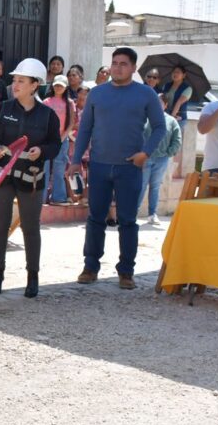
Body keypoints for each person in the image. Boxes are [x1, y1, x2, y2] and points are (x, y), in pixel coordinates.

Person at [67, 47, 165, 290]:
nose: (117, 67)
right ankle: (90, 267)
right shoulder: (97, 94)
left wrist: (146, 153)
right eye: (114, 63)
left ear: (133, 68)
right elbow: (85, 129)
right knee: (95, 218)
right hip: (99, 165)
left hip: (130, 167)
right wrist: (76, 159)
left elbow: (160, 127)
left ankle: (126, 272)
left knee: (128, 221)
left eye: (123, 63)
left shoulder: (146, 94)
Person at [0, 58, 61, 298]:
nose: (15, 84)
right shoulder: (3, 108)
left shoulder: (48, 115)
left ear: (34, 84)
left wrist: (43, 152)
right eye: (14, 80)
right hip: (3, 177)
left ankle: (32, 277)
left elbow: (55, 145)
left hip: (31, 179)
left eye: (21, 81)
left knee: (30, 227)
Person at [138, 111, 182, 225]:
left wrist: (169, 153)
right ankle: (133, 213)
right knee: (141, 185)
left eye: (161, 102)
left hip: (161, 159)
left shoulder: (171, 120)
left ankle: (152, 214)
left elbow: (177, 138)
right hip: (145, 157)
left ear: (165, 105)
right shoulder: (145, 117)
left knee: (155, 187)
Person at [43, 75, 76, 205]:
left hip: (62, 140)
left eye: (61, 86)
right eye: (56, 85)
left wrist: (62, 138)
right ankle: (42, 198)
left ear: (66, 87)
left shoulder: (70, 103)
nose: (58, 87)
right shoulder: (46, 101)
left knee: (59, 169)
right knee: (44, 169)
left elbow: (71, 122)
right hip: (46, 140)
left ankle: (58, 198)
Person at [157, 65, 194, 131]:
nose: (175, 74)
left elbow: (179, 102)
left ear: (184, 75)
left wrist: (172, 118)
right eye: (174, 72)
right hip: (166, 116)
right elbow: (162, 100)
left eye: (178, 72)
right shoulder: (166, 85)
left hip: (179, 118)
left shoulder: (187, 88)